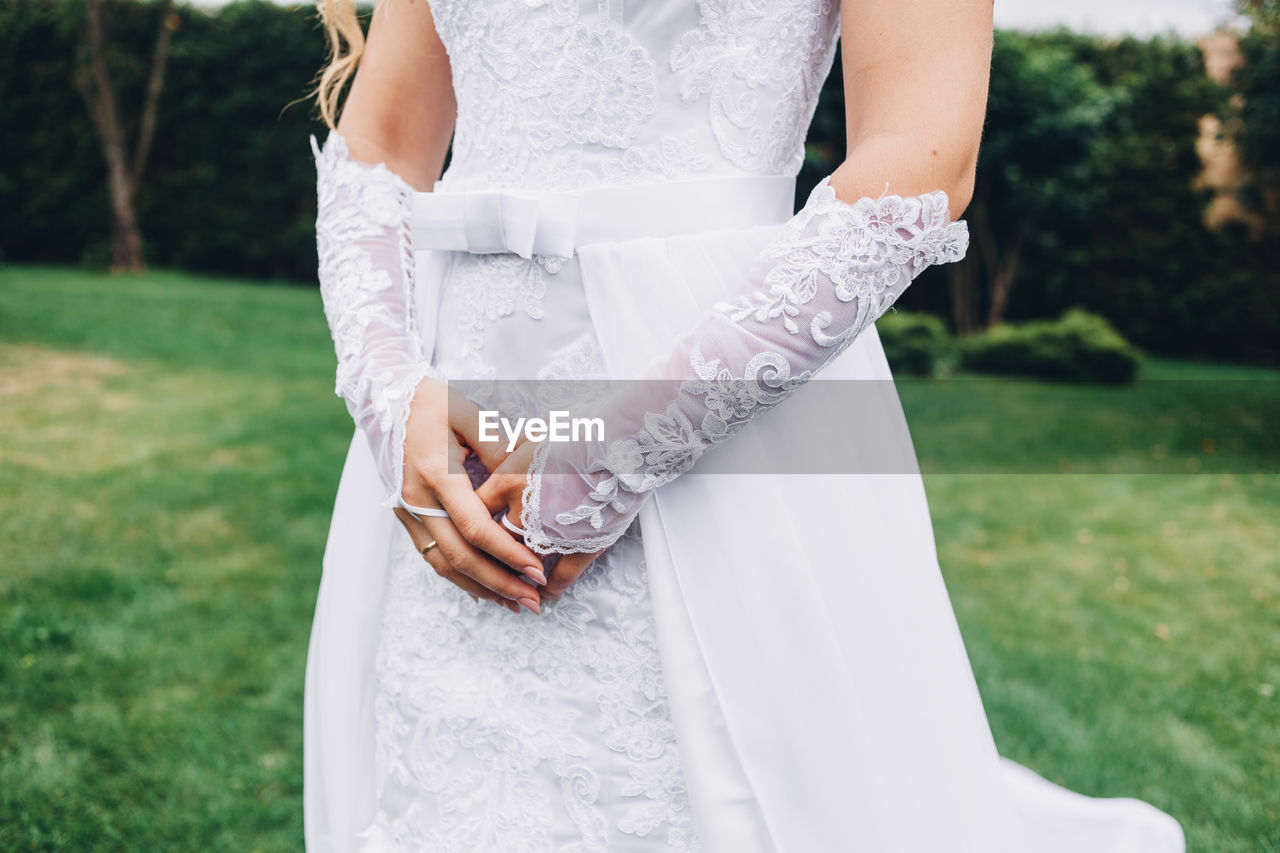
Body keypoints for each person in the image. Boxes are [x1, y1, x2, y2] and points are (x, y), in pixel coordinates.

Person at [303, 0, 1188, 850]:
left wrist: (617, 452)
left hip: (716, 404)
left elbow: (925, 157)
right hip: (445, 423)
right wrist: (388, 390)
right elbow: (379, 145)